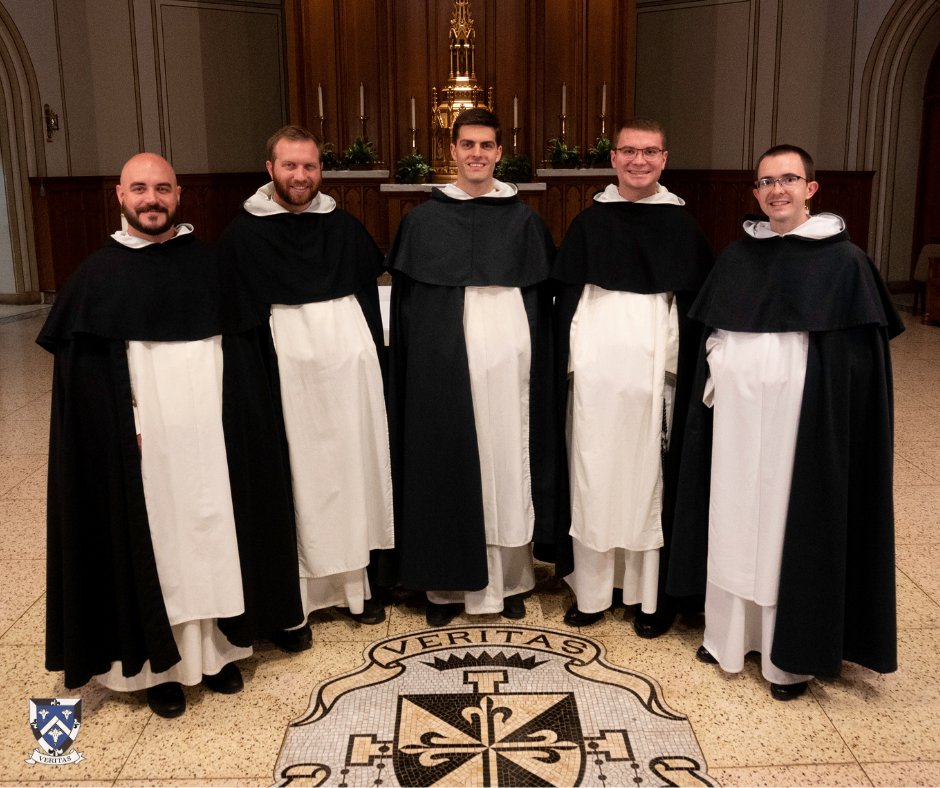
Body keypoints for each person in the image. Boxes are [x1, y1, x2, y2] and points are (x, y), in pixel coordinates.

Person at [38, 153, 304, 718]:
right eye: (140, 189)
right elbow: (84, 395)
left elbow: (246, 363)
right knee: (157, 548)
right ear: (119, 195)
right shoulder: (95, 278)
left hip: (210, 441)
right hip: (141, 451)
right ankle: (156, 669)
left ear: (179, 195)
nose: (151, 199)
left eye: (161, 188)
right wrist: (122, 430)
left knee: (212, 536)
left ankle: (219, 650)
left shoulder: (212, 267)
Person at [669, 144, 903, 699]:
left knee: (785, 526)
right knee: (731, 513)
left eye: (789, 179)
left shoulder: (844, 263)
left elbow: (858, 364)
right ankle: (729, 634)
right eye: (767, 181)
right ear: (754, 192)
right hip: (735, 418)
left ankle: (787, 654)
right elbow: (712, 334)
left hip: (802, 426)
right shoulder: (737, 258)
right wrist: (722, 367)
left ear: (811, 189)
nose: (777, 190)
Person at [218, 125, 393, 650]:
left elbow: (366, 299)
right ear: (269, 169)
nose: (301, 176)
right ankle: (297, 604)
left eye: (310, 166)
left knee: (353, 471)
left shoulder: (341, 227)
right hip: (285, 381)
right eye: (290, 166)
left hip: (347, 379)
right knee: (298, 481)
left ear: (321, 170)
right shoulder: (242, 236)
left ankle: (355, 590)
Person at [387, 107, 556, 627]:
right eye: (467, 145)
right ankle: (444, 586)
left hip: (510, 363)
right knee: (446, 460)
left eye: (486, 145)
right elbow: (408, 310)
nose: (477, 154)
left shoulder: (525, 220)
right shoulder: (422, 221)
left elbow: (540, 302)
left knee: (507, 459)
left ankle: (509, 578)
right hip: (443, 365)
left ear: (499, 152)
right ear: (452, 151)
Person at [552, 118, 712, 635]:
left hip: (652, 377)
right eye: (628, 151)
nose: (638, 161)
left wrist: (669, 368)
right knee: (593, 475)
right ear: (613, 158)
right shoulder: (589, 223)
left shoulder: (683, 227)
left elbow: (689, 311)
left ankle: (649, 598)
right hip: (596, 378)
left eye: (649, 152)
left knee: (648, 480)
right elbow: (569, 304)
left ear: (664, 158)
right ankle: (594, 593)